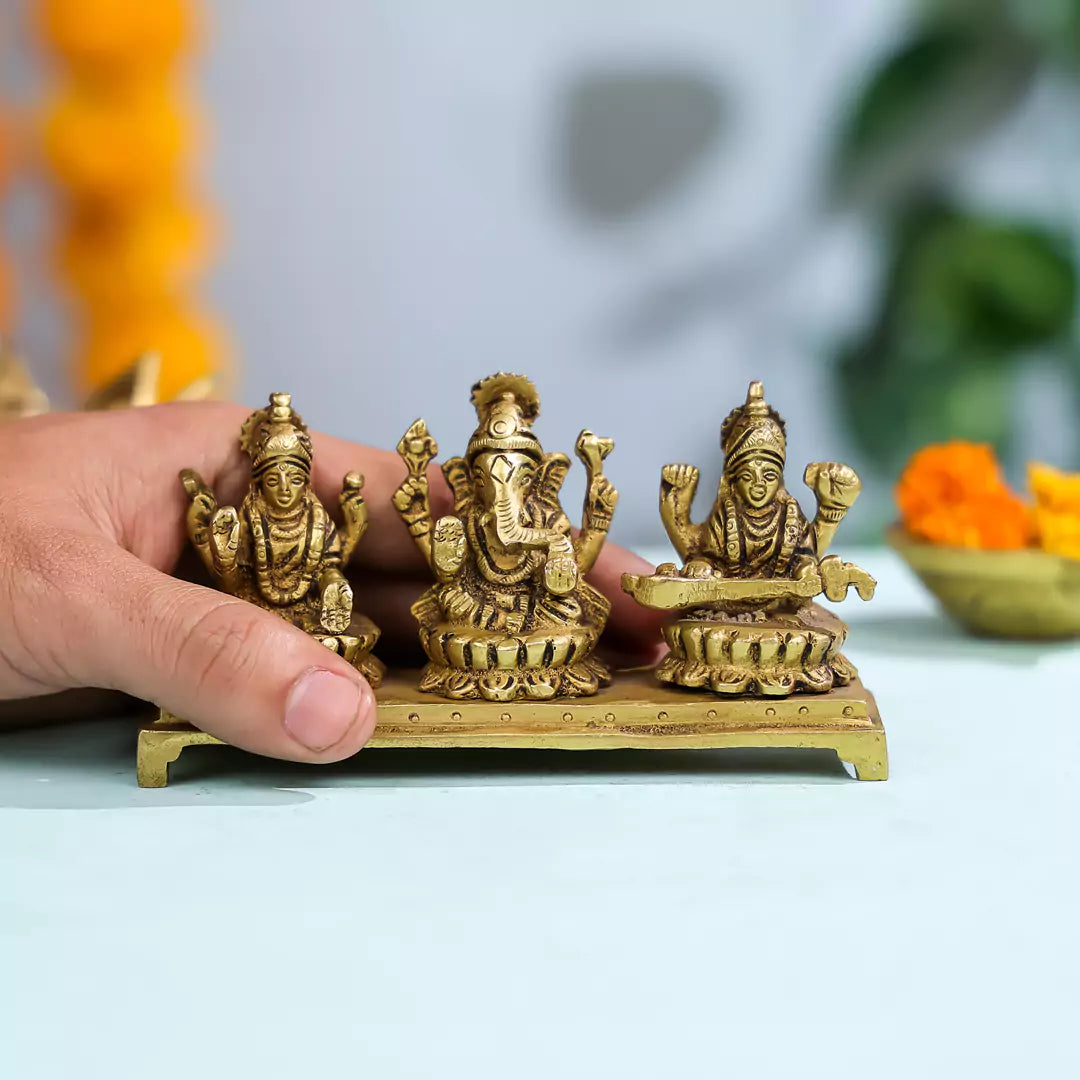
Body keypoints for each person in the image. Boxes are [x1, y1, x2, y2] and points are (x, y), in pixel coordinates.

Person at [0, 401, 663, 763]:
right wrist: (215, 544)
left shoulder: (542, 513)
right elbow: (258, 575)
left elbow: (581, 558)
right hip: (320, 608)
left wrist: (591, 497)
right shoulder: (264, 518)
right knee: (386, 615)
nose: (289, 487)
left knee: (569, 617)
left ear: (533, 475)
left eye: (513, 475)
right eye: (491, 475)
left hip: (522, 622)